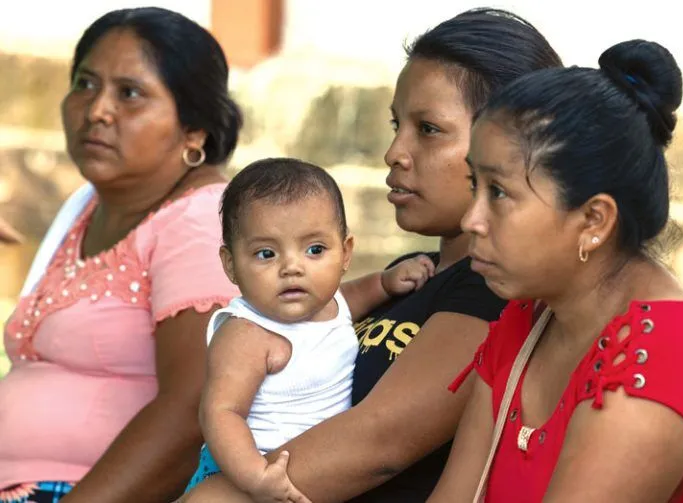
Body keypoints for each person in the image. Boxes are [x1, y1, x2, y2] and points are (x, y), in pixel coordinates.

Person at [183, 8, 562, 503]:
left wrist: (217, 496)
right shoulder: (406, 276)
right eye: (396, 124)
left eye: (428, 129)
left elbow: (378, 443)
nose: (394, 152)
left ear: (509, 145)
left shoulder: (491, 289)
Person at [429, 39, 683, 502]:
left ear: (593, 221)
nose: (472, 220)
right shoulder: (530, 319)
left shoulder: (660, 358)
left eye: (500, 193)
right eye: (475, 185)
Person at [0, 7, 242, 503]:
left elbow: (195, 406)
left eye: (129, 93)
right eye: (85, 84)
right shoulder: (85, 208)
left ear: (193, 129)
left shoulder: (200, 220)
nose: (97, 110)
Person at [184, 158, 434, 501]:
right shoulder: (246, 334)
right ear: (230, 264)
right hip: (247, 471)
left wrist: (387, 283)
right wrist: (256, 477)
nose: (292, 267)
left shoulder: (331, 305)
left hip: (317, 472)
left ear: (345, 253)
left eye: (314, 249)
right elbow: (220, 412)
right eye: (266, 253)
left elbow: (355, 295)